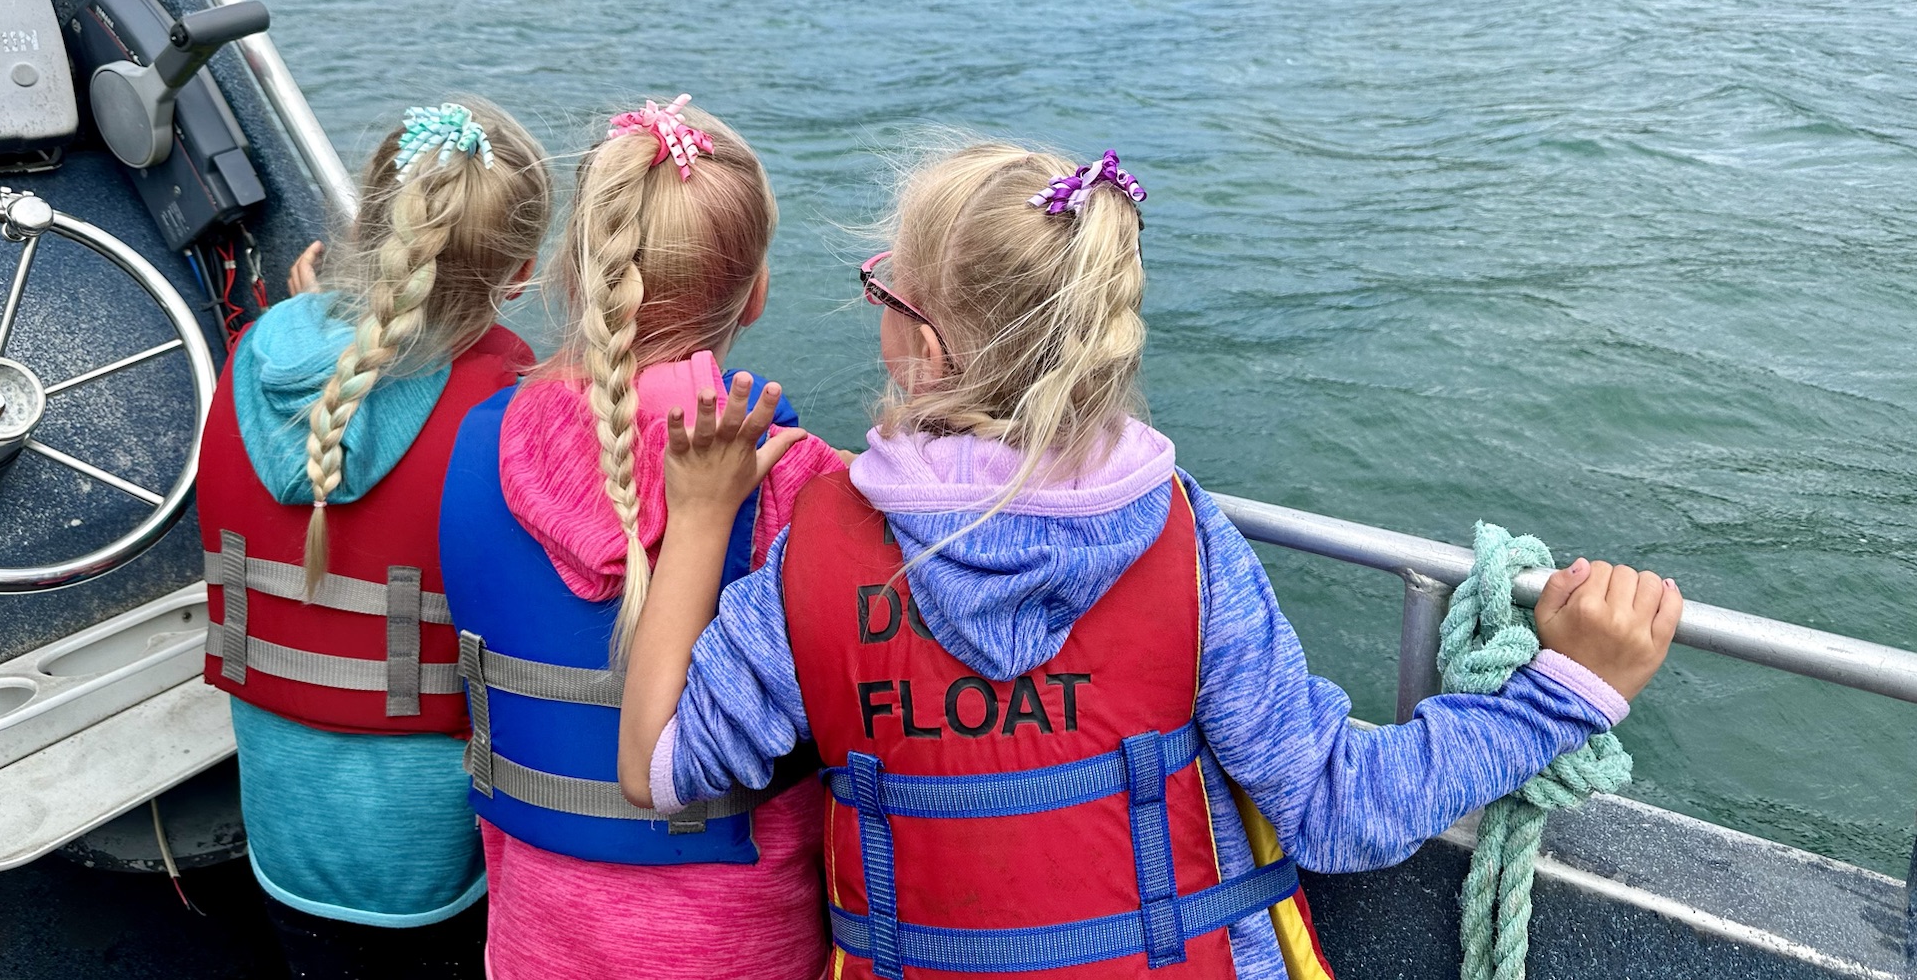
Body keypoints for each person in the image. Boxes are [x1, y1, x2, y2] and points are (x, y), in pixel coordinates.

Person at [617, 142, 1684, 980]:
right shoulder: (1183, 539)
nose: (875, 309)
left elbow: (657, 768)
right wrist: (1564, 692)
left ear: (927, 350)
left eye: (884, 293)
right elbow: (1339, 808)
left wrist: (699, 521)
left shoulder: (816, 547)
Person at [436, 94, 844, 980]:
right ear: (756, 291)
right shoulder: (800, 481)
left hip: (537, 934)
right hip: (736, 944)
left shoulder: (480, 441)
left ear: (575, 276)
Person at [197, 100, 552, 978]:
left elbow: (352, 390)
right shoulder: (507, 413)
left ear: (365, 230)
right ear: (520, 274)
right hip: (432, 853)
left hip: (282, 823)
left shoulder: (257, 355)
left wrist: (307, 318)